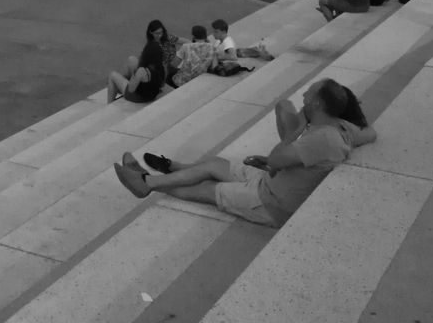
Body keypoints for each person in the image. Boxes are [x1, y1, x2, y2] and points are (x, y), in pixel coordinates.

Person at [113, 79, 376, 227]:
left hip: (269, 202)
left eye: (309, 92)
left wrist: (294, 131)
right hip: (271, 181)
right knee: (214, 164)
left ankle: (146, 183)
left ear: (317, 103)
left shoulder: (320, 139)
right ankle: (156, 175)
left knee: (206, 188)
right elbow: (371, 133)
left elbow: (276, 158)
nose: (304, 94)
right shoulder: (340, 127)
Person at [107, 33, 166, 104]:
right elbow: (162, 84)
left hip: (138, 97)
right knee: (132, 59)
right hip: (152, 93)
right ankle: (127, 80)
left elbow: (130, 89)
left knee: (112, 75)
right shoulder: (162, 66)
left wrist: (134, 75)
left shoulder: (142, 71)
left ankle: (109, 104)